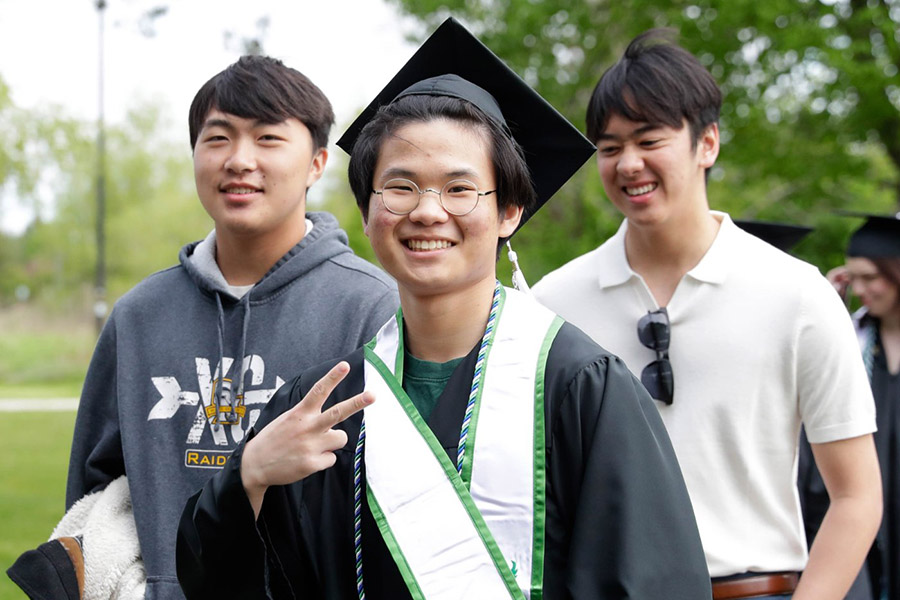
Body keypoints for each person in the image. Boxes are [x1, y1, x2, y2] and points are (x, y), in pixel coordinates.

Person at [176, 18, 712, 599]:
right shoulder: (325, 405)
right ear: (367, 212)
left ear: (509, 212)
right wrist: (249, 475)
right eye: (401, 188)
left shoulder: (577, 386)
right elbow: (219, 582)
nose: (428, 212)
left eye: (459, 189)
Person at [8, 56, 399, 599]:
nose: (240, 160)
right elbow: (92, 496)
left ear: (316, 163)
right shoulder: (140, 315)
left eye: (267, 138)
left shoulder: (371, 306)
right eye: (218, 138)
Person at [533, 29, 882, 600]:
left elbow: (856, 494)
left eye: (650, 140)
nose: (629, 164)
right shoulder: (554, 303)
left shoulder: (797, 295)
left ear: (708, 144)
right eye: (610, 147)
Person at [799, 214, 900, 600]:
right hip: (865, 518)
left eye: (870, 278)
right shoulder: (852, 338)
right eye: (852, 277)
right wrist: (831, 304)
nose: (861, 289)